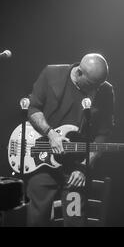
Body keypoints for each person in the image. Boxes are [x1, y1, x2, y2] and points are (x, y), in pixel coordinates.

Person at [26, 53, 115, 226]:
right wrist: (50, 134)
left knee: (74, 220)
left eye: (99, 85)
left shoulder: (105, 90)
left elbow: (103, 134)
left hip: (76, 168)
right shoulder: (52, 74)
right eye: (92, 85)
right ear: (79, 73)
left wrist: (83, 167)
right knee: (37, 219)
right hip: (43, 161)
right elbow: (33, 107)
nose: (95, 90)